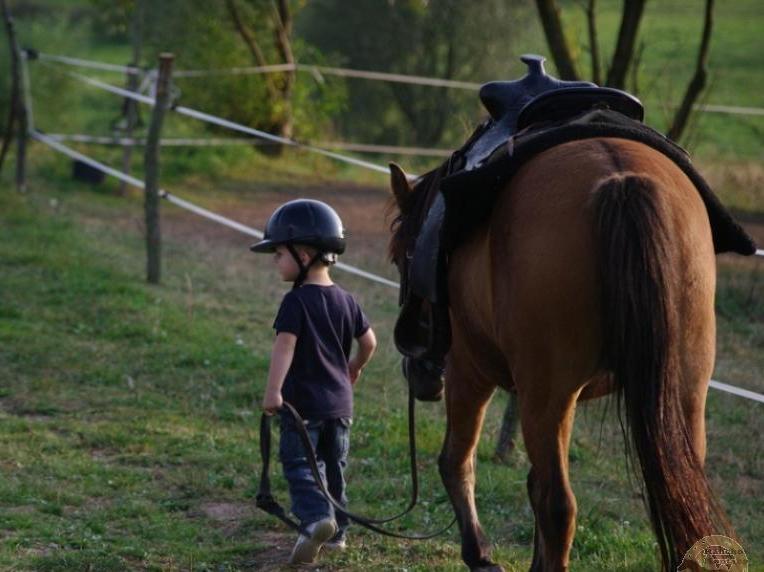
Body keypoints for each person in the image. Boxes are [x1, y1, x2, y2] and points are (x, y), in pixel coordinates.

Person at [251, 199, 377, 565]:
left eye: (278, 254)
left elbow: (284, 348)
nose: (276, 261)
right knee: (334, 464)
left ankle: (315, 519)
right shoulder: (347, 299)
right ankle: (337, 534)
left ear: (303, 254)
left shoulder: (296, 302)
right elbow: (370, 342)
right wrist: (355, 367)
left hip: (302, 405)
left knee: (301, 464)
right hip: (340, 405)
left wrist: (273, 390)